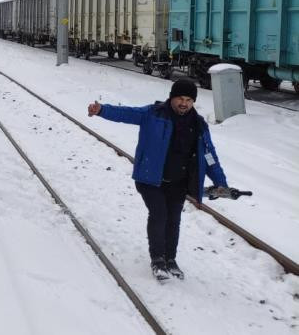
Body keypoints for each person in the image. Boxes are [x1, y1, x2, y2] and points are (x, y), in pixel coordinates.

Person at [88, 79, 231, 281]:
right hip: (150, 178)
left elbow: (209, 156)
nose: (184, 103)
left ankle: (170, 259)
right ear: (172, 97)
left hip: (179, 182)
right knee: (159, 214)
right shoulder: (153, 114)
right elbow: (127, 113)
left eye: (189, 100)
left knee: (174, 220)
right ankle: (157, 260)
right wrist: (102, 110)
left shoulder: (199, 125)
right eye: (180, 98)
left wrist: (221, 182)